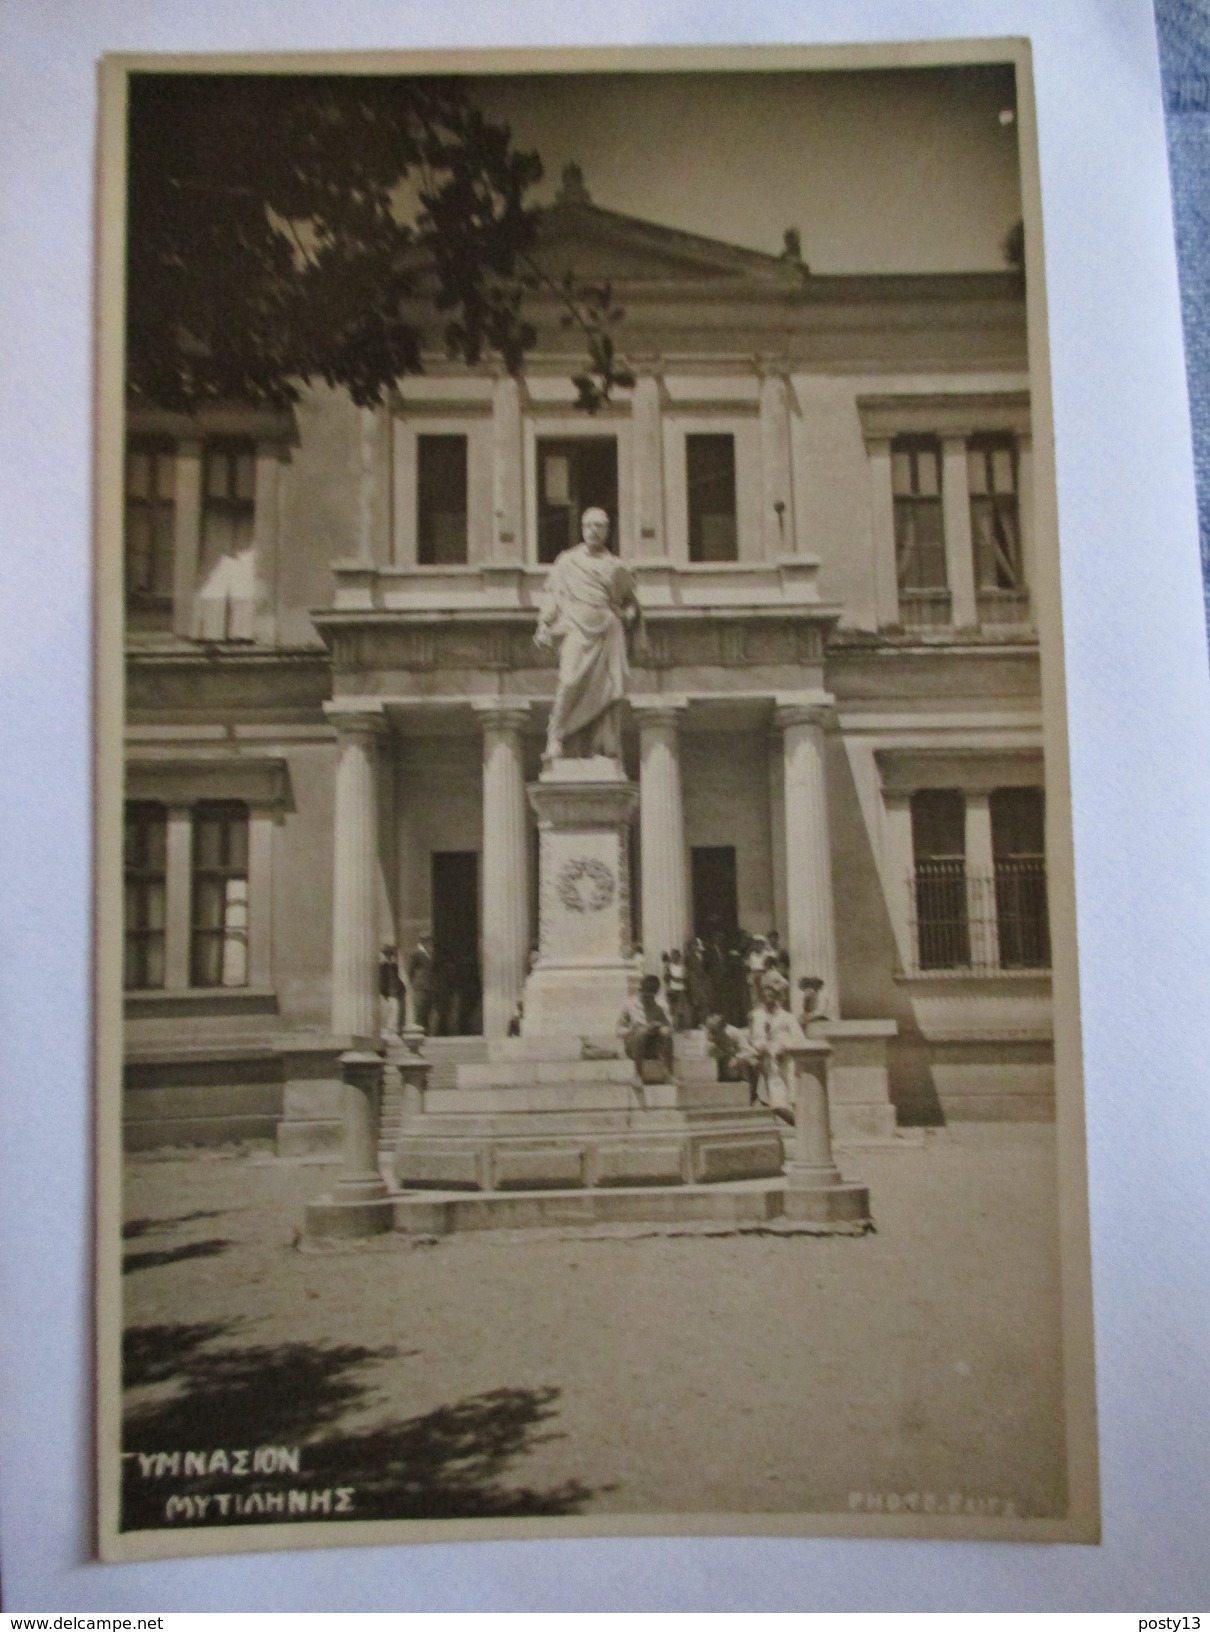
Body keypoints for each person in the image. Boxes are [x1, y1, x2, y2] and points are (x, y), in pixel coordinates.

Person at [533, 507, 641, 763]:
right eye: (589, 526)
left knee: (606, 693)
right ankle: (555, 737)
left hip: (608, 632)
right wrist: (544, 624)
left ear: (607, 531)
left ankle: (601, 748)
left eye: (599, 526)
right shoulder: (568, 561)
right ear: (582, 529)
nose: (594, 530)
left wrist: (628, 615)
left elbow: (631, 602)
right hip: (577, 629)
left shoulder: (616, 567)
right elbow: (553, 595)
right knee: (569, 682)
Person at [748, 969, 804, 1123]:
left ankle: (802, 1128)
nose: (768, 997)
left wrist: (784, 1048)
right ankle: (801, 1126)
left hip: (787, 1063)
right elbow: (755, 1038)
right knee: (777, 1104)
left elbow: (799, 1040)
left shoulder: (787, 1017)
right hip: (769, 1064)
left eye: (772, 994)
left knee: (791, 1100)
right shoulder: (757, 1016)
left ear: (777, 996)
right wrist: (761, 1047)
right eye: (765, 993)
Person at [617, 974, 674, 1082]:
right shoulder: (630, 1004)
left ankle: (668, 1073)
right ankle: (638, 1074)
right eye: (646, 996)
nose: (648, 1000)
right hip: (634, 1046)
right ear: (640, 991)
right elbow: (618, 1031)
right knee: (641, 1031)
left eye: (651, 997)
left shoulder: (659, 1007)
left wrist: (660, 1027)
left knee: (666, 1033)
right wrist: (631, 1030)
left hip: (653, 1047)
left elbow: (669, 1028)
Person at [705, 1011, 758, 1096]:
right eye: (711, 1031)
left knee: (753, 1061)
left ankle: (752, 1094)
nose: (713, 1034)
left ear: (723, 1028)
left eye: (716, 1031)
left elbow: (750, 1051)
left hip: (736, 1062)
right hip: (721, 1063)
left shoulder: (733, 1032)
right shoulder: (710, 1036)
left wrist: (737, 1057)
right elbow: (709, 1054)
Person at [408, 932, 436, 1036]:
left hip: (428, 986)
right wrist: (415, 983)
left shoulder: (428, 954)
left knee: (427, 1010)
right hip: (420, 986)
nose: (430, 944)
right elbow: (411, 971)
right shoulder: (417, 954)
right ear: (424, 942)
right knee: (420, 1009)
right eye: (429, 941)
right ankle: (419, 1032)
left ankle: (425, 1032)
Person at [378, 943, 405, 1040]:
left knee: (396, 1010)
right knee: (393, 1009)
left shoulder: (394, 966)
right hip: (389, 992)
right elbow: (382, 981)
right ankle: (390, 1030)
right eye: (388, 954)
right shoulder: (383, 966)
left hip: (396, 991)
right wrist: (384, 992)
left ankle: (393, 1029)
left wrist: (402, 988)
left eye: (391, 954)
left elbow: (397, 978)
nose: (390, 956)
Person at [664, 946, 690, 1031]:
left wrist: (672, 977)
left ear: (679, 956)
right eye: (672, 956)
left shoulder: (682, 967)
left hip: (680, 990)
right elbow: (666, 979)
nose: (673, 957)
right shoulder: (669, 967)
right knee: (672, 1009)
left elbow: (682, 978)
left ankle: (680, 1026)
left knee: (680, 1009)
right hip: (671, 990)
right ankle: (673, 1026)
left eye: (675, 955)